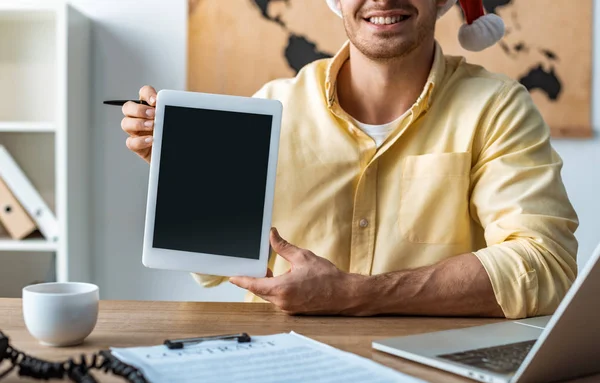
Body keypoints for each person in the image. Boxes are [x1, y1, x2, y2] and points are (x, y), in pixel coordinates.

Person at [120, 0, 579, 319]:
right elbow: (220, 265)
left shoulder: (498, 107)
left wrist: (354, 295)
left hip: (434, 370)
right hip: (281, 366)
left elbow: (545, 265)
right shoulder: (272, 106)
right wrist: (183, 174)